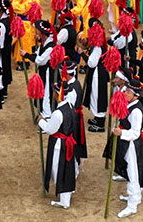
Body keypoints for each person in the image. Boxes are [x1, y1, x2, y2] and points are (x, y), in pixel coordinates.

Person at [38, 79, 79, 209]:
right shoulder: (71, 106)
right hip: (67, 142)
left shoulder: (58, 113)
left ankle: (64, 199)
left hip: (59, 145)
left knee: (58, 169)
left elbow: (50, 129)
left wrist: (40, 121)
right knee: (66, 168)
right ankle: (65, 196)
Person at [114, 78, 143, 218]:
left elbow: (135, 132)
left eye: (128, 92)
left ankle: (132, 205)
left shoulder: (136, 111)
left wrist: (121, 132)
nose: (125, 93)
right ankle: (133, 196)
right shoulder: (130, 104)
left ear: (134, 94)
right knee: (130, 171)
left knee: (133, 173)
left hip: (132, 145)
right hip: (127, 142)